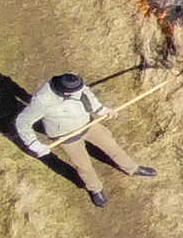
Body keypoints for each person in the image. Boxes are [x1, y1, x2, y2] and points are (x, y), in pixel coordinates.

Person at [12, 71, 158, 206]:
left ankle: (132, 168)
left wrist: (101, 109)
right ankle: (95, 189)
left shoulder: (76, 83)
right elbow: (22, 122)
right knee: (83, 166)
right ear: (64, 92)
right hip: (65, 136)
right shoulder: (42, 101)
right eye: (76, 92)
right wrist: (34, 144)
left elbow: (88, 95)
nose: (81, 91)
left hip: (88, 124)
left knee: (112, 146)